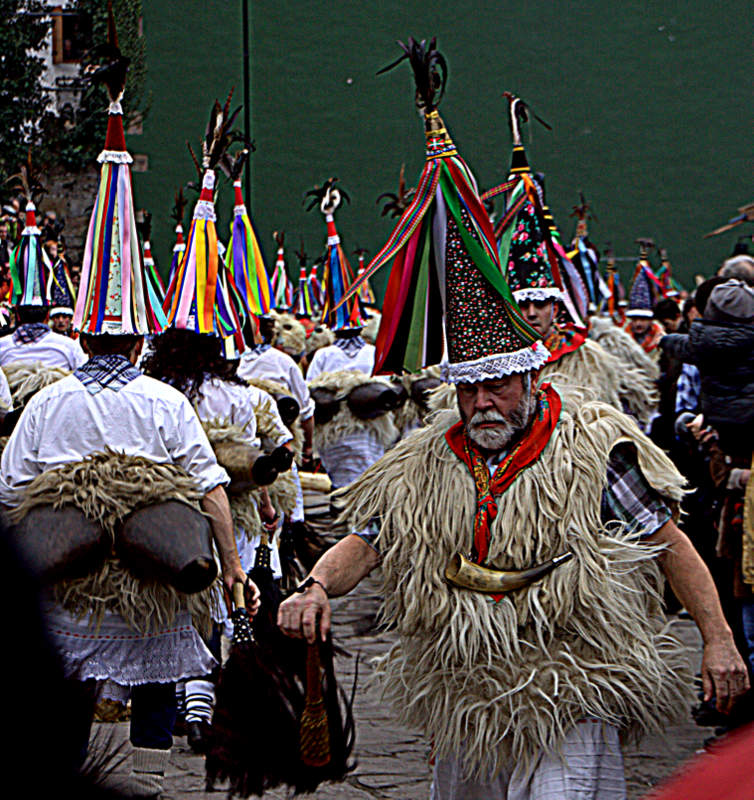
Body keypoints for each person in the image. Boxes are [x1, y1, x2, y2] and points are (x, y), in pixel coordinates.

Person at [278, 41, 748, 798]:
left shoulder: (596, 447)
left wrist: (719, 641)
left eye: (497, 388)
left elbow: (667, 542)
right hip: (468, 695)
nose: (482, 405)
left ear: (532, 373)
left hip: (569, 683)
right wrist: (315, 589)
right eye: (469, 391)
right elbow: (369, 540)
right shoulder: (427, 458)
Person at [0, 50, 254, 797]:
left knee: (72, 684)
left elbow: (8, 488)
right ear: (141, 337)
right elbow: (211, 491)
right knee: (154, 688)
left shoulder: (48, 399)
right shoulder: (164, 402)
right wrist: (232, 572)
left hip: (68, 583)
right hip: (156, 578)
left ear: (78, 332)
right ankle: (147, 788)